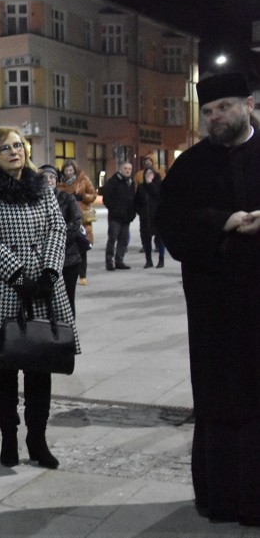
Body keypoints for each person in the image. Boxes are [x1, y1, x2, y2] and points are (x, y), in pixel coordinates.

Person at [156, 72, 260, 526]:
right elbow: (171, 225)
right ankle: (220, 499)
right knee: (220, 400)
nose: (215, 117)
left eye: (223, 107)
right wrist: (224, 221)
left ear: (250, 105)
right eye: (209, 111)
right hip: (214, 307)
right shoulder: (191, 165)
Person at [0, 126, 80, 470]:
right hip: (4, 285)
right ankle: (8, 437)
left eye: (18, 145)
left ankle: (37, 439)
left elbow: (56, 227)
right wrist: (17, 274)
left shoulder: (39, 183)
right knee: (4, 365)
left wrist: (50, 271)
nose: (14, 151)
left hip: (44, 286)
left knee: (40, 362)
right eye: (5, 147)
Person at [40, 165, 83, 315]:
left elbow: (76, 222)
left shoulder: (66, 197)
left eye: (52, 177)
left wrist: (56, 238)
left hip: (69, 259)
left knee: (68, 299)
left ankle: (68, 332)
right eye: (45, 177)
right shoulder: (34, 200)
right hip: (44, 260)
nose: (49, 180)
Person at [57, 159, 96, 285]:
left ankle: (82, 274)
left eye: (71, 170)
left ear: (75, 170)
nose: (68, 173)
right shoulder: (60, 184)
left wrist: (83, 197)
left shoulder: (83, 179)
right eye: (66, 170)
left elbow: (93, 195)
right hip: (67, 218)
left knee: (82, 246)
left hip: (82, 217)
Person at [102, 161, 136, 271]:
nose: (128, 170)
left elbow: (132, 199)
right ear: (120, 169)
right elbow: (106, 198)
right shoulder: (113, 181)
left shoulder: (131, 182)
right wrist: (114, 209)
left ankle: (119, 260)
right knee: (112, 239)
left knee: (124, 240)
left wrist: (132, 212)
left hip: (126, 217)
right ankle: (109, 262)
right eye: (125, 168)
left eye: (129, 169)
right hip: (115, 217)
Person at [135, 167, 165, 268]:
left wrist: (150, 183)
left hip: (157, 217)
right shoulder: (141, 187)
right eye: (146, 173)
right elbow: (137, 202)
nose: (148, 174)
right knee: (146, 240)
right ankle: (149, 261)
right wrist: (141, 212)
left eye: (150, 173)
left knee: (160, 240)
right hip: (145, 219)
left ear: (154, 174)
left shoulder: (159, 184)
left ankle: (161, 260)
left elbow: (157, 194)